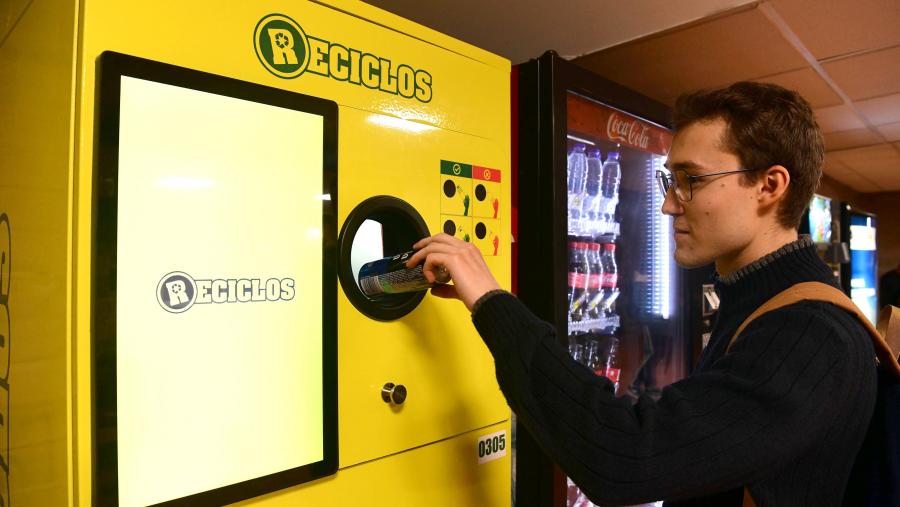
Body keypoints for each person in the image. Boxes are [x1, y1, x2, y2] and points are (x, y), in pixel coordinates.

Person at [407, 82, 877, 506]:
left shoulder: (809, 333)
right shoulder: (764, 305)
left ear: (769, 186)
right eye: (669, 180)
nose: (669, 203)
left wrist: (492, 302)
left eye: (690, 180)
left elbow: (627, 456)